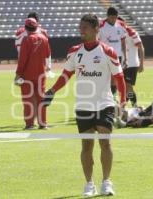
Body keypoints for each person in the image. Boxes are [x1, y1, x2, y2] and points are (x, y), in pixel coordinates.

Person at [42, 14, 126, 196]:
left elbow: (119, 77)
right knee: (86, 147)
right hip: (83, 106)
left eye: (85, 27)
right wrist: (52, 91)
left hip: (105, 104)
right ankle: (89, 184)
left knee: (105, 144)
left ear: (96, 29)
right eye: (80, 27)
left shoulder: (108, 51)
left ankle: (106, 182)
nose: (81, 30)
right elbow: (66, 75)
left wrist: (123, 99)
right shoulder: (74, 51)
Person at [14, 18, 51, 129]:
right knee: (41, 98)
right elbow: (47, 54)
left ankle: (30, 124)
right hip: (41, 74)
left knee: (28, 99)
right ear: (36, 27)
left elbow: (22, 59)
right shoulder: (44, 38)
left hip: (27, 75)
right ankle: (43, 123)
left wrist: (17, 74)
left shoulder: (26, 39)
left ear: (26, 28)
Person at [99, 7, 128, 96]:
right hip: (104, 55)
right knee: (104, 77)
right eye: (111, 17)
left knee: (115, 77)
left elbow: (123, 42)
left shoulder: (121, 25)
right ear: (107, 16)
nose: (113, 19)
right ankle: (103, 95)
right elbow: (97, 41)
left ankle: (113, 97)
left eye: (115, 17)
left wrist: (125, 57)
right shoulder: (101, 25)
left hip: (117, 55)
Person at [123, 26, 145, 107]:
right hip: (123, 64)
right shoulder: (116, 32)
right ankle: (126, 104)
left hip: (132, 64)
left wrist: (141, 64)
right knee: (125, 86)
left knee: (128, 86)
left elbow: (141, 47)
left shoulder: (132, 33)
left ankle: (134, 105)